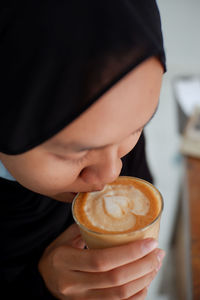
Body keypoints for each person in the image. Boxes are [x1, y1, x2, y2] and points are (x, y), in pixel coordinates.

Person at [0, 1, 166, 299]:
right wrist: (43, 288)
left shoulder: (113, 135)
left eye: (137, 128)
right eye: (77, 152)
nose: (113, 171)